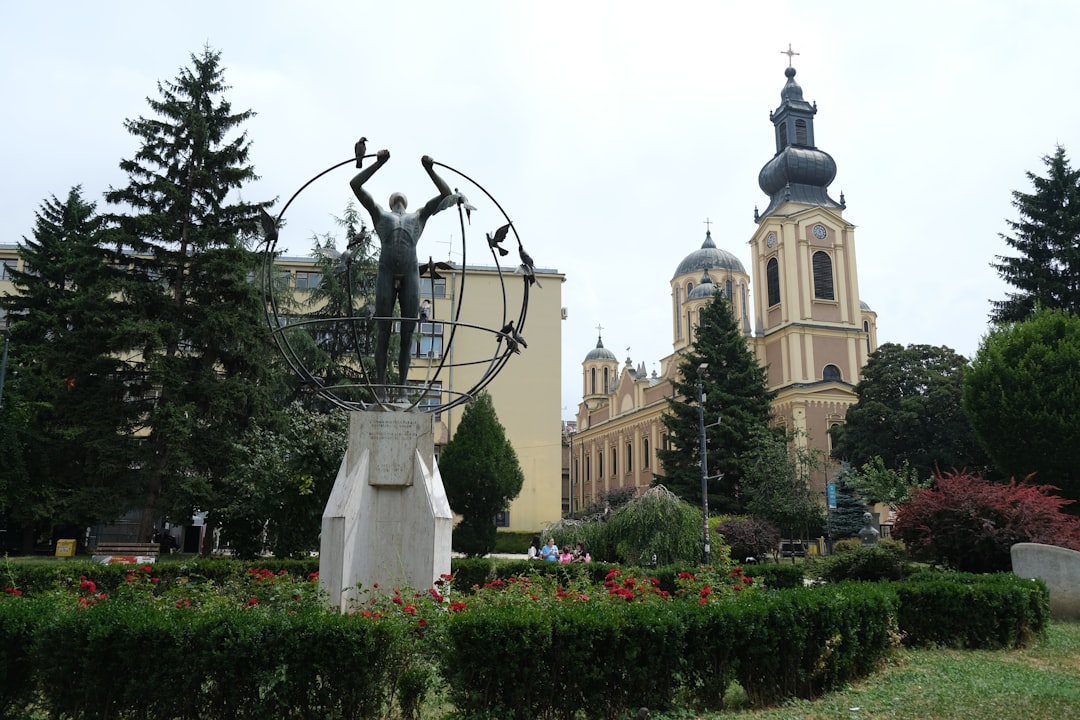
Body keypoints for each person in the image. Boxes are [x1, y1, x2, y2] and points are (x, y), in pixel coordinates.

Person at [349, 143, 453, 392]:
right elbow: (355, 185)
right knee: (383, 332)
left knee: (407, 334)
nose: (398, 198)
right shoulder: (379, 214)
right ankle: (382, 387)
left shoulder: (418, 216)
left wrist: (430, 169)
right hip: (386, 271)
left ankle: (402, 388)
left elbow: (446, 194)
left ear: (404, 202)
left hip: (409, 273)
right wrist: (378, 163)